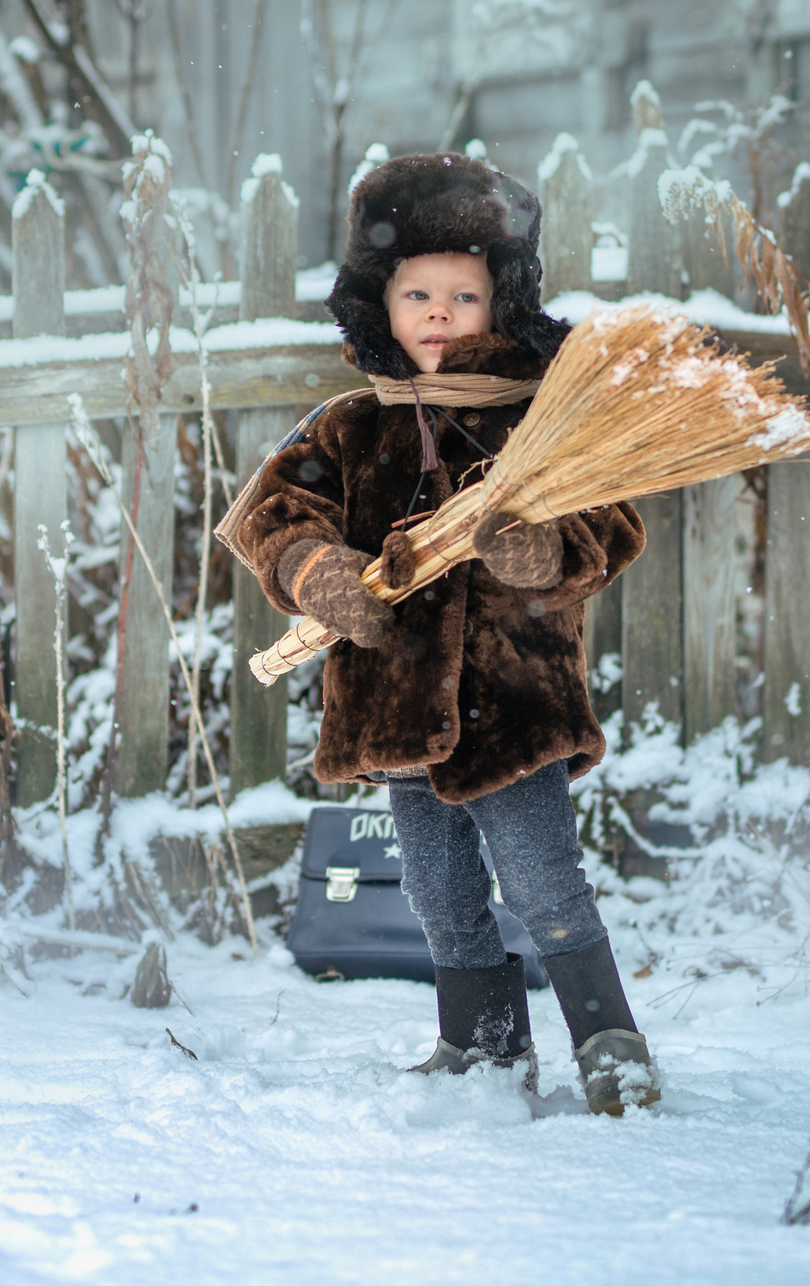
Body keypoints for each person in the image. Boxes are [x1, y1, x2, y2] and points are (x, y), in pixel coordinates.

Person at [226, 153, 660, 1114]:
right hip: (393, 708)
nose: (435, 311)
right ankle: (485, 1047)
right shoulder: (348, 426)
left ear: (499, 303)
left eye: (461, 294)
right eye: (414, 290)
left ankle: (610, 1044)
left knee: (545, 880)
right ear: (376, 306)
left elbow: (613, 522)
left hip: (515, 710)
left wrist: (541, 551)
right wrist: (313, 571)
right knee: (435, 889)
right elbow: (270, 514)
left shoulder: (537, 423)